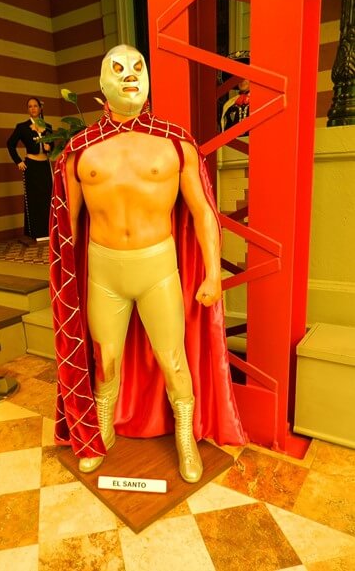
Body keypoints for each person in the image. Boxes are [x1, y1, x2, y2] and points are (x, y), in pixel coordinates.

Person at [50, 45, 245, 484]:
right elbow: (68, 226)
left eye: (137, 67)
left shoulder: (175, 142)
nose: (129, 75)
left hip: (158, 266)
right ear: (102, 82)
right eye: (118, 68)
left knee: (173, 359)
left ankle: (184, 437)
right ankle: (100, 431)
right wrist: (67, 284)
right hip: (104, 269)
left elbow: (203, 212)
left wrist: (213, 273)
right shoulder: (80, 150)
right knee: (106, 358)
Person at [7, 97, 53, 241]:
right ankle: (36, 233)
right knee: (34, 199)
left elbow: (52, 144)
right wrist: (18, 161)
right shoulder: (22, 127)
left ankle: (49, 231)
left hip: (45, 166)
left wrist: (49, 147)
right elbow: (10, 144)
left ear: (40, 108)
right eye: (30, 106)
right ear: (28, 109)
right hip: (32, 165)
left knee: (48, 198)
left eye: (35, 106)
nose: (33, 108)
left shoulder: (48, 127)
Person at [220, 51, 250, 134]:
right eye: (237, 76)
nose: (241, 80)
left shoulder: (262, 102)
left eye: (245, 75)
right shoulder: (228, 105)